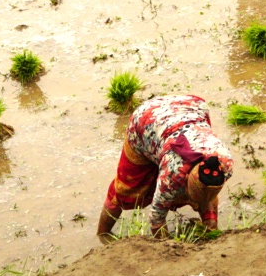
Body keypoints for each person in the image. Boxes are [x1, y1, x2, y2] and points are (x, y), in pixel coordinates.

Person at [97, 93, 235, 239]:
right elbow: (156, 219)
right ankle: (102, 234)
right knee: (126, 186)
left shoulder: (224, 164)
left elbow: (208, 193)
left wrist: (211, 231)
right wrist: (168, 245)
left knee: (206, 194)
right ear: (186, 177)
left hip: (191, 109)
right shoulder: (173, 176)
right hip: (147, 120)